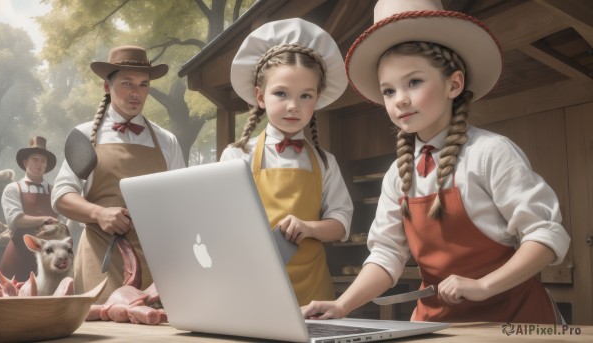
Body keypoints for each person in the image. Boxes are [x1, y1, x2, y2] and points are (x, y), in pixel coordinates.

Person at [302, 0, 571, 324]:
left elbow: (545, 235)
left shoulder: (491, 153)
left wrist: (485, 285)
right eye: (388, 90)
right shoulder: (396, 176)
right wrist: (342, 305)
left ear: (453, 84)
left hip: (513, 320)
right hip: (436, 324)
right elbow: (387, 256)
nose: (399, 98)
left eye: (414, 82)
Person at [221, 18, 354, 306]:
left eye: (305, 95)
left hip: (314, 294)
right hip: (253, 291)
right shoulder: (236, 156)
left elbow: (341, 224)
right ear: (260, 97)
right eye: (281, 93)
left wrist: (309, 228)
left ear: (317, 99)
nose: (293, 105)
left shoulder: (325, 161)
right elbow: (224, 224)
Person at [52, 45, 186, 303]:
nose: (136, 93)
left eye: (143, 84)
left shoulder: (167, 141)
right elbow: (61, 196)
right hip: (100, 262)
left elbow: (181, 203)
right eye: (127, 83)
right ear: (107, 86)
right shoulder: (83, 136)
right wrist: (98, 213)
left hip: (155, 268)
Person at [0, 136, 61, 281]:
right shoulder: (13, 189)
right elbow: (16, 219)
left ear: (46, 165)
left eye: (43, 161)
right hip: (18, 257)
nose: (39, 164)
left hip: (49, 260)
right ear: (25, 162)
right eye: (35, 160)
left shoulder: (55, 192)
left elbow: (63, 223)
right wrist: (46, 219)